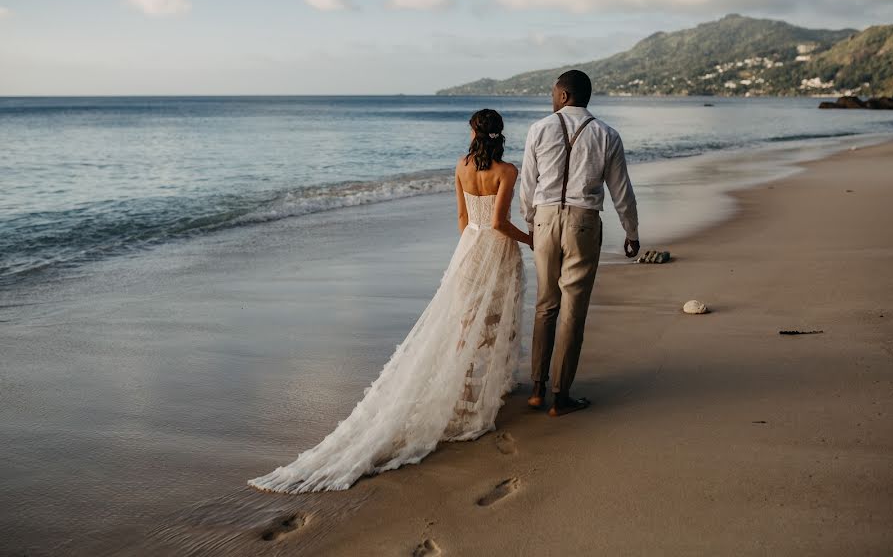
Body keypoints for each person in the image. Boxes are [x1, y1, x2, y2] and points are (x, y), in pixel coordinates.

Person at [248, 109, 531, 493]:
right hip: (496, 249)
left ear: (472, 133)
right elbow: (499, 223)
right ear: (500, 134)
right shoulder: (507, 171)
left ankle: (464, 392)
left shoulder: (462, 166)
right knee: (497, 319)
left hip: (468, 248)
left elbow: (464, 219)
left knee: (465, 320)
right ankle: (486, 393)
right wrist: (531, 239)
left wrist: (468, 250)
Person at [519, 69, 640, 417]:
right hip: (583, 222)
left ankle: (537, 390)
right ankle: (561, 396)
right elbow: (622, 191)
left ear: (565, 96)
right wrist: (631, 233)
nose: (552, 98)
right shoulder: (607, 134)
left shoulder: (538, 129)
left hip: (544, 218)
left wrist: (531, 224)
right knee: (573, 309)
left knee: (545, 304)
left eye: (554, 93)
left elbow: (528, 185)